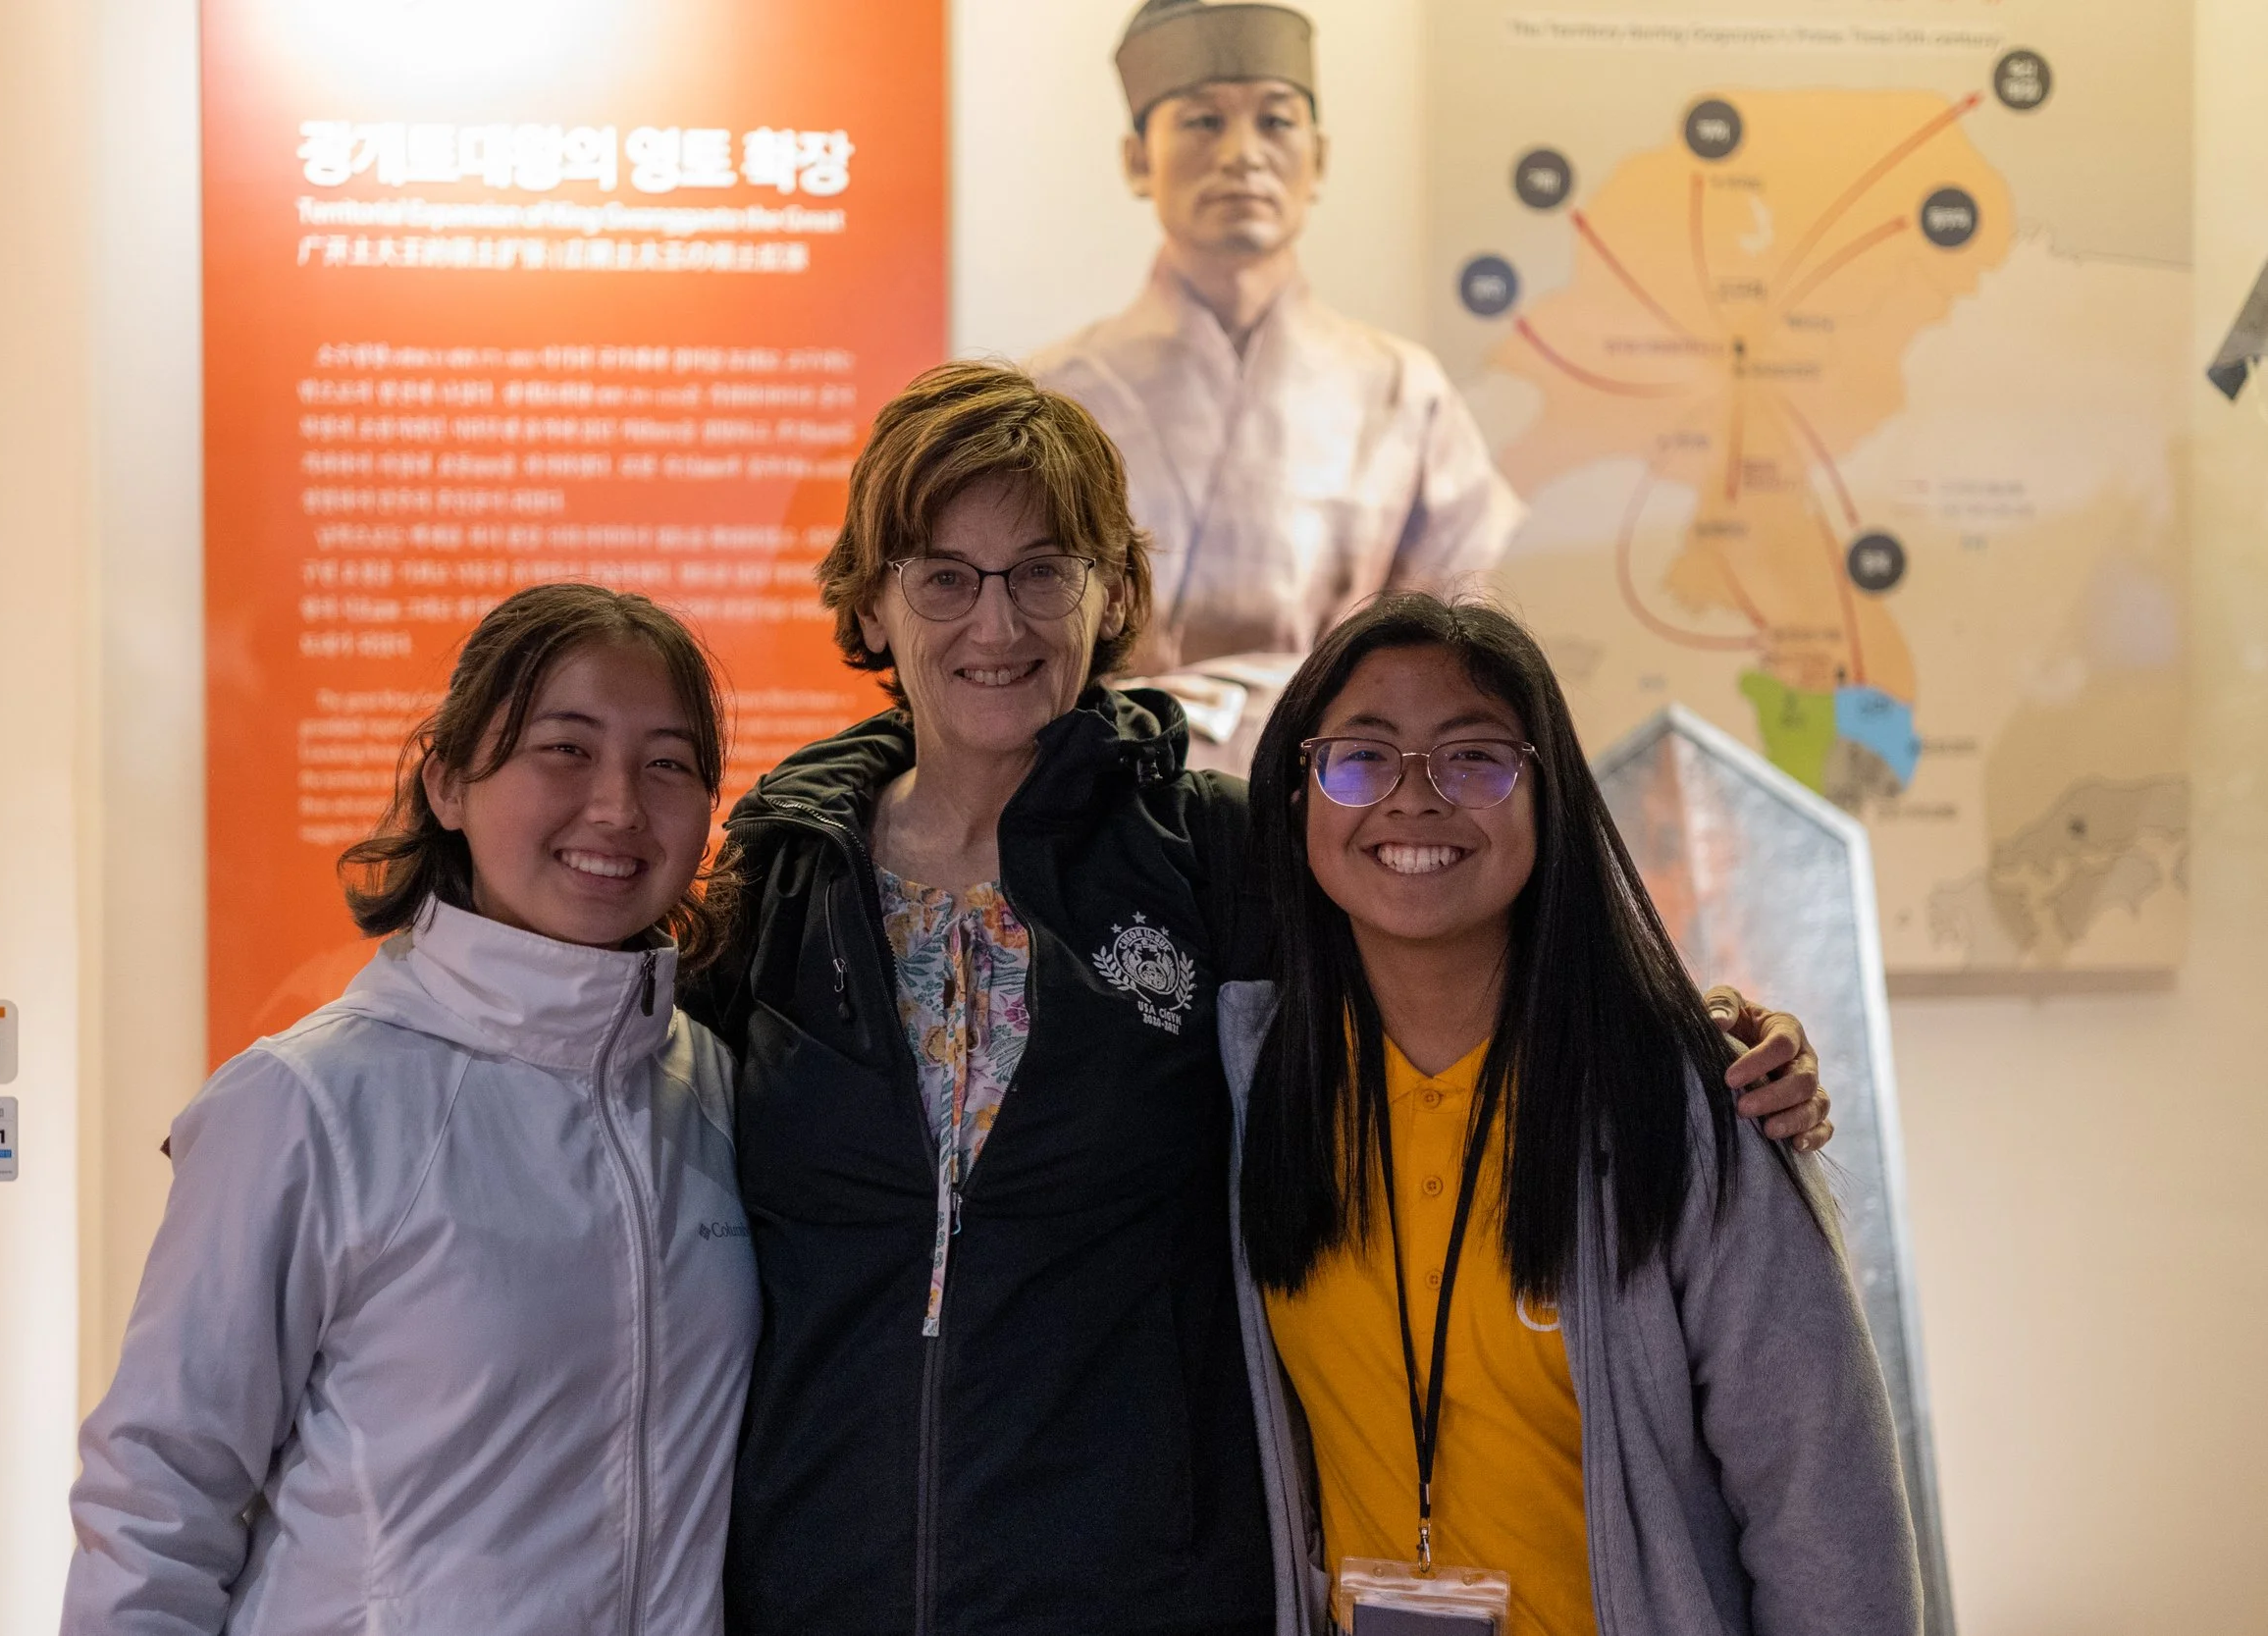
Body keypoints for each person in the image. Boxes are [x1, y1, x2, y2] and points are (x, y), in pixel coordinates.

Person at [684, 361, 1830, 1636]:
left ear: (1114, 590)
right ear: (872, 599)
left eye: (1043, 570)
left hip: (1146, 1600)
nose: (995, 623)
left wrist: (1704, 1039)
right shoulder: (778, 879)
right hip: (813, 1589)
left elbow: (1454, 971)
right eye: (944, 576)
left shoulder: (1221, 855)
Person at [60, 586, 758, 1636]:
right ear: (447, 781)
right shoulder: (306, 1102)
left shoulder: (713, 1089)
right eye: (565, 749)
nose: (618, 805)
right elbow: (156, 1499)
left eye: (667, 763)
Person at [1226, 595, 1920, 1635]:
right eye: (1360, 758)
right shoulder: (1255, 1090)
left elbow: (1825, 1517)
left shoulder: (1682, 1113)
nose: (1414, 797)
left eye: (1473, 759)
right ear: (1297, 803)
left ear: (1549, 800)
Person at [1029, 0, 1525, 774]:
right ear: (1137, 159)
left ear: (1318, 159)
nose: (1242, 155)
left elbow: (1453, 647)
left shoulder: (1406, 392)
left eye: (1276, 121)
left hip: (1339, 785)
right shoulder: (1050, 398)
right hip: (1110, 784)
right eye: (1202, 121)